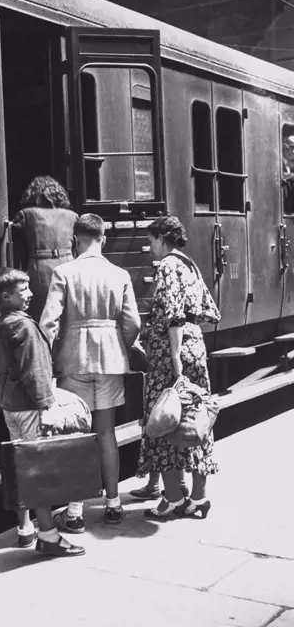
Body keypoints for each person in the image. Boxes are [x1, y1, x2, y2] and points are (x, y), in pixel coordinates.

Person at [40, 213, 141, 527]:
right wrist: (120, 345)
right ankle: (113, 504)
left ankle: (75, 512)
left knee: (79, 435)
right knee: (106, 433)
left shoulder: (64, 272)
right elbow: (134, 323)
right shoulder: (119, 273)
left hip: (74, 361)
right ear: (103, 238)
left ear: (76, 238)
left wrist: (49, 356)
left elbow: (48, 323)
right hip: (110, 361)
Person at [0, 267, 85, 557]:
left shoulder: (5, 319)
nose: (30, 295)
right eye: (23, 291)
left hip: (11, 403)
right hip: (29, 405)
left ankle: (25, 529)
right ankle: (49, 537)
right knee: (38, 471)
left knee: (21, 467)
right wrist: (46, 407)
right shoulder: (25, 327)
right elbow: (36, 371)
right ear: (6, 296)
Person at [136, 215, 221, 519]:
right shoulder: (190, 265)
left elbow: (172, 317)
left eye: (151, 241)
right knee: (196, 419)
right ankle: (198, 498)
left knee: (165, 418)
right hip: (195, 344)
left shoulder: (168, 266)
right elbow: (211, 311)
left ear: (162, 238)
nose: (150, 248)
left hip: (173, 351)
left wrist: (174, 362)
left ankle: (172, 497)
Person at [12, 176, 78, 321]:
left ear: (32, 193)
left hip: (40, 270)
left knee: (42, 316)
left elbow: (18, 251)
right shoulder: (72, 217)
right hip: (70, 266)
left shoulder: (26, 215)